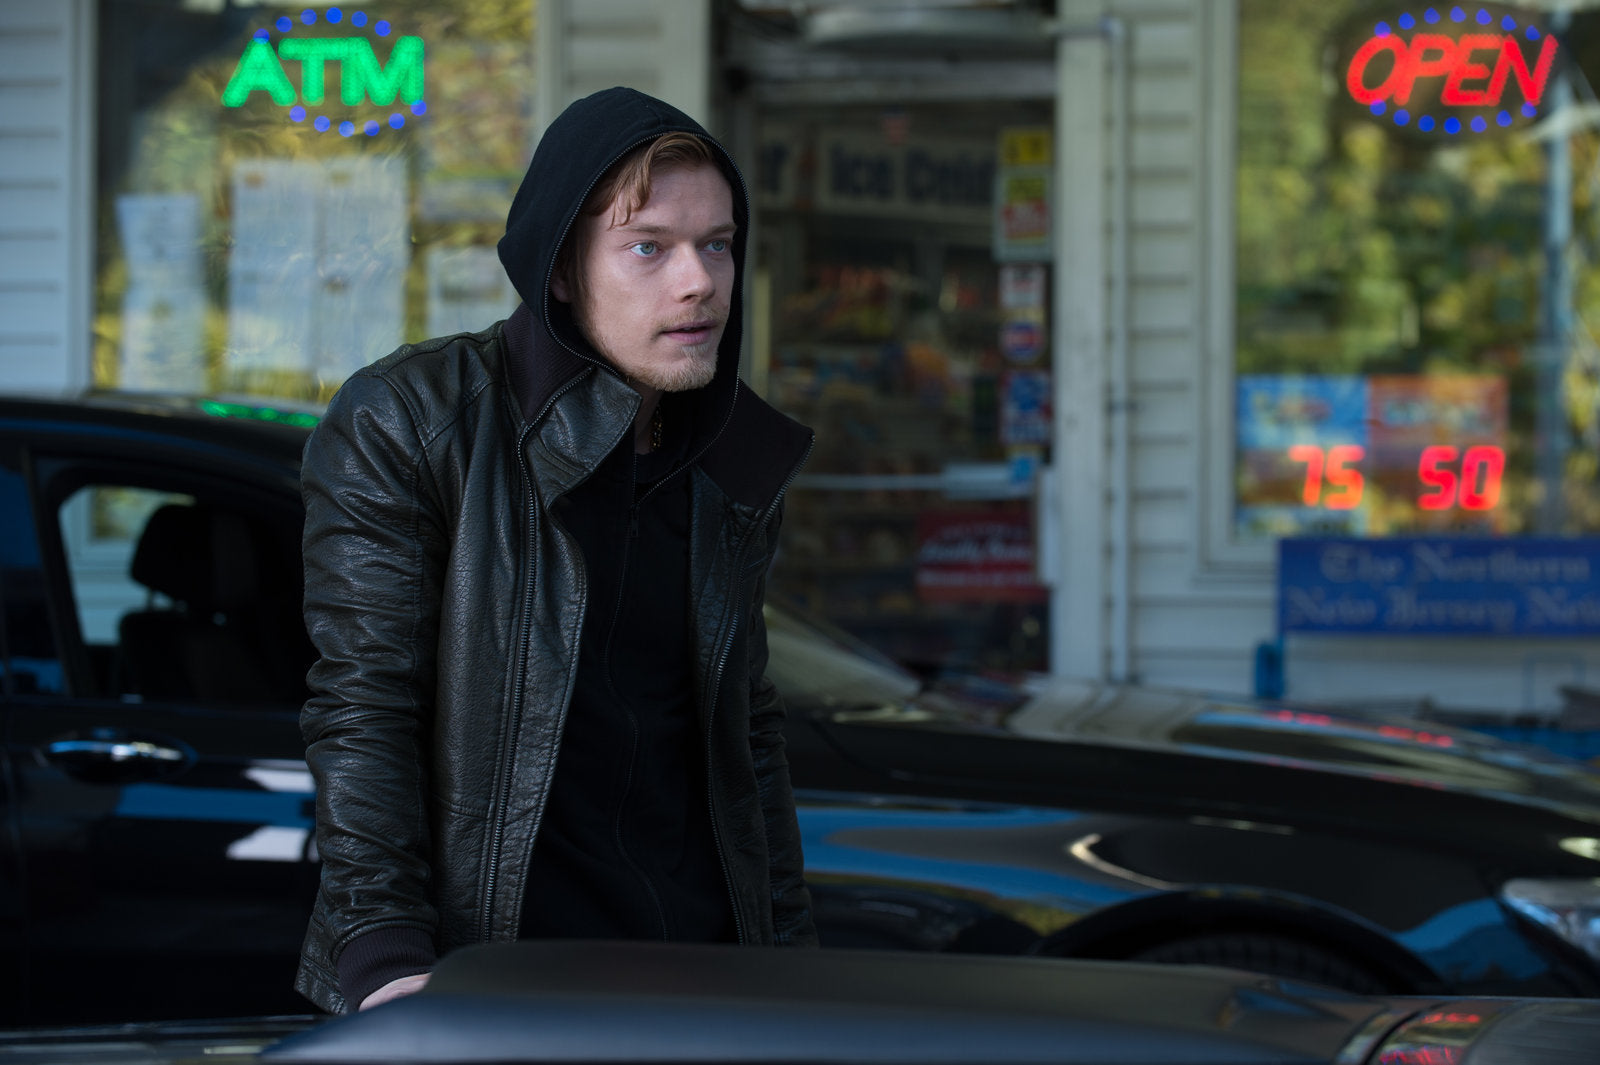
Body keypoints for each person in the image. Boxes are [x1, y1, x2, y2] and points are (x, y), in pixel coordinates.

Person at [294, 86, 818, 1016]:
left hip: (702, 976)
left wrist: (790, 956)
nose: (698, 281)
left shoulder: (729, 455)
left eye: (717, 244)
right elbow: (365, 708)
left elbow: (749, 732)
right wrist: (385, 955)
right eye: (648, 246)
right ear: (563, 268)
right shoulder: (413, 421)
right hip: (492, 975)